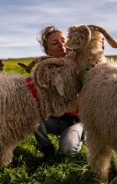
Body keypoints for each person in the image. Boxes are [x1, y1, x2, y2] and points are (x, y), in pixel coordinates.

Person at [34, 26, 84, 160]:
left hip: (75, 120)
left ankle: (85, 134)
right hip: (55, 120)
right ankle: (46, 147)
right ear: (47, 50)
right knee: (29, 110)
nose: (61, 45)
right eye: (55, 43)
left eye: (63, 40)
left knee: (68, 149)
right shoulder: (45, 70)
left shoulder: (79, 63)